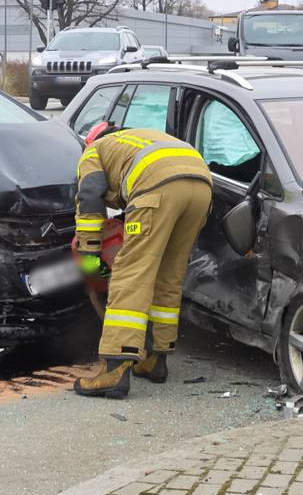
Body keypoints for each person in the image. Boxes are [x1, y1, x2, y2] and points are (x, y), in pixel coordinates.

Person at [73, 125, 212, 399]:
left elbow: (90, 195)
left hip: (159, 189)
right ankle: (157, 359)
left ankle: (115, 368)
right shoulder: (138, 139)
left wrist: (89, 252)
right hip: (202, 188)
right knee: (169, 274)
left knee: (132, 273)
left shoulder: (94, 150)